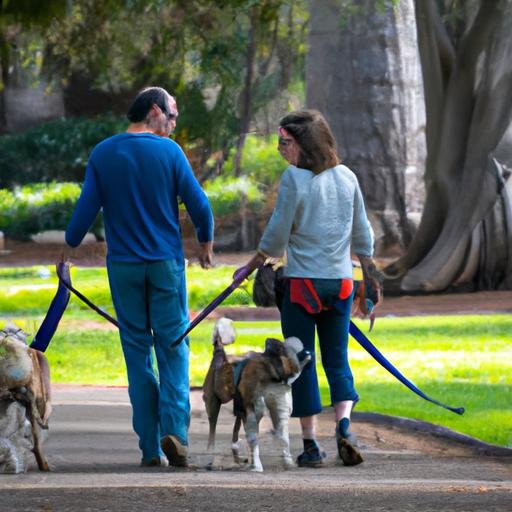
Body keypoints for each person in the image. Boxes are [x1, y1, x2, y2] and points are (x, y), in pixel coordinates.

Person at [65, 86, 214, 467]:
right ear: (154, 111)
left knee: (136, 351)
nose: (175, 122)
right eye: (173, 114)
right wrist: (205, 242)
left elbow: (83, 214)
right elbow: (199, 204)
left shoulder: (103, 152)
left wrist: (68, 247)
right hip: (165, 265)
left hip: (124, 267)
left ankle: (149, 446)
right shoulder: (170, 153)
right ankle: (176, 434)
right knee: (173, 346)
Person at [235, 109, 382, 468]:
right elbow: (363, 234)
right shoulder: (347, 177)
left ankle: (311, 445)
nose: (280, 150)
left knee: (300, 363)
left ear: (304, 144)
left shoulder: (294, 180)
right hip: (341, 284)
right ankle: (345, 427)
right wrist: (370, 280)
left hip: (302, 285)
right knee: (337, 359)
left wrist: (251, 264)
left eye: (285, 143)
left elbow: (277, 233)